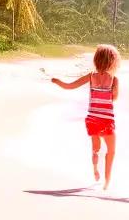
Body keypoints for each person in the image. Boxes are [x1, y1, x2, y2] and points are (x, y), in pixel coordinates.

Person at [50, 45, 120, 188]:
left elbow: (70, 86)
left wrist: (58, 82)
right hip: (106, 119)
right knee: (111, 150)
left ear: (96, 60)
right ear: (113, 62)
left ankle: (95, 169)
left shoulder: (91, 76)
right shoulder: (114, 79)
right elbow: (114, 98)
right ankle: (106, 181)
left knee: (96, 148)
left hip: (92, 118)